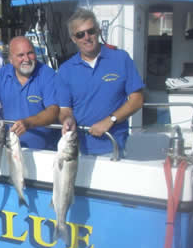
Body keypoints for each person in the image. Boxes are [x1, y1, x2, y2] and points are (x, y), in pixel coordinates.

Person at [56, 8, 144, 156]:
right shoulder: (65, 70)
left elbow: (137, 99)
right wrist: (67, 119)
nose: (87, 37)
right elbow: (64, 109)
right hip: (77, 149)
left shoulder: (121, 59)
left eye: (90, 31)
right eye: (80, 34)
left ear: (98, 31)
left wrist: (111, 120)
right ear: (73, 39)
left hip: (113, 147)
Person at [0, 36, 60, 149]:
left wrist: (28, 123)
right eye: (21, 55)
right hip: (10, 148)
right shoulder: (1, 75)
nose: (26, 59)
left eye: (30, 53)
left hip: (44, 152)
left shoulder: (48, 75)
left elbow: (54, 110)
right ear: (11, 60)